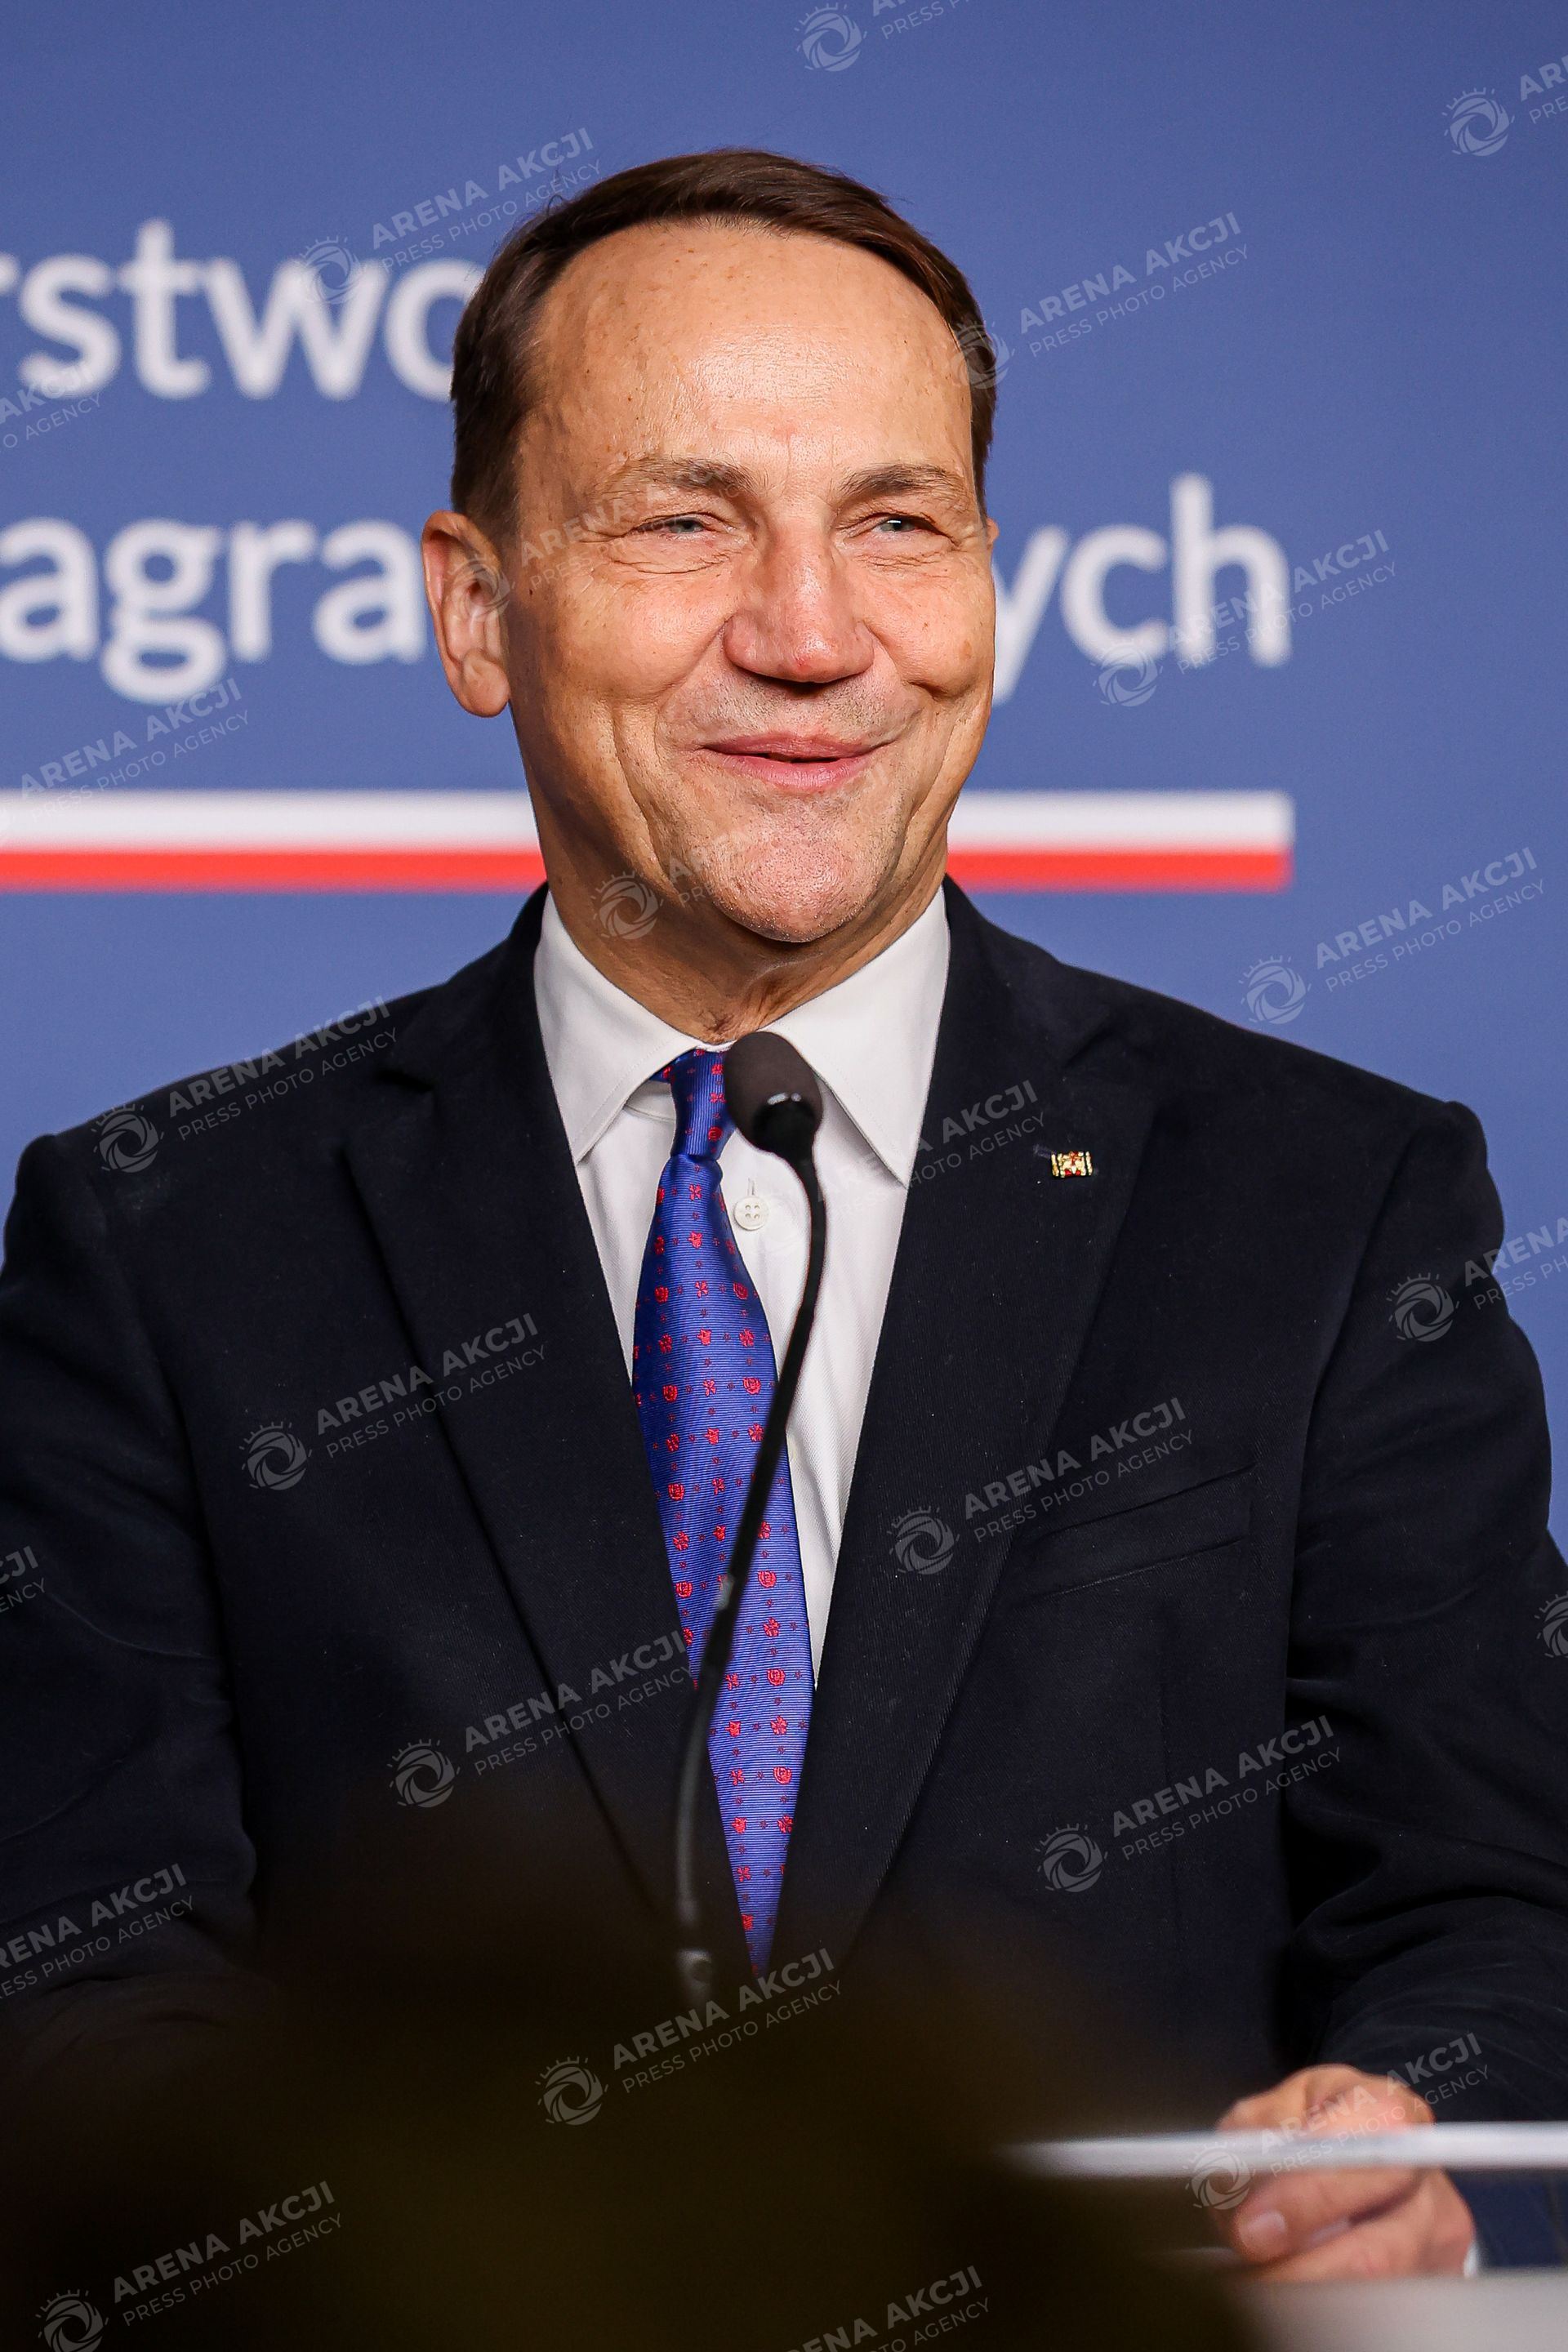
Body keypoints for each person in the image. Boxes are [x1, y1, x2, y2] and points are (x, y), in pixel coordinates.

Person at [1, 148, 1561, 2282]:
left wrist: (1405, 2132)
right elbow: (83, 1987)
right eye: (686, 521)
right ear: (476, 609)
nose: (814, 638)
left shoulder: (1330, 1202)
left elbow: (1497, 1892)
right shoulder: (166, 1243)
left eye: (898, 525)